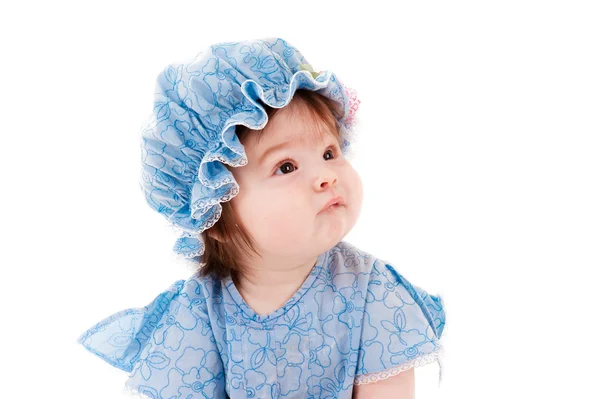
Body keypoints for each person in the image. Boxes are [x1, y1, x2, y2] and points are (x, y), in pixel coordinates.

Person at [76, 37, 447, 399]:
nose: (326, 175)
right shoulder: (200, 311)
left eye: (330, 153)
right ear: (215, 210)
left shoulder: (373, 292)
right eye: (286, 166)